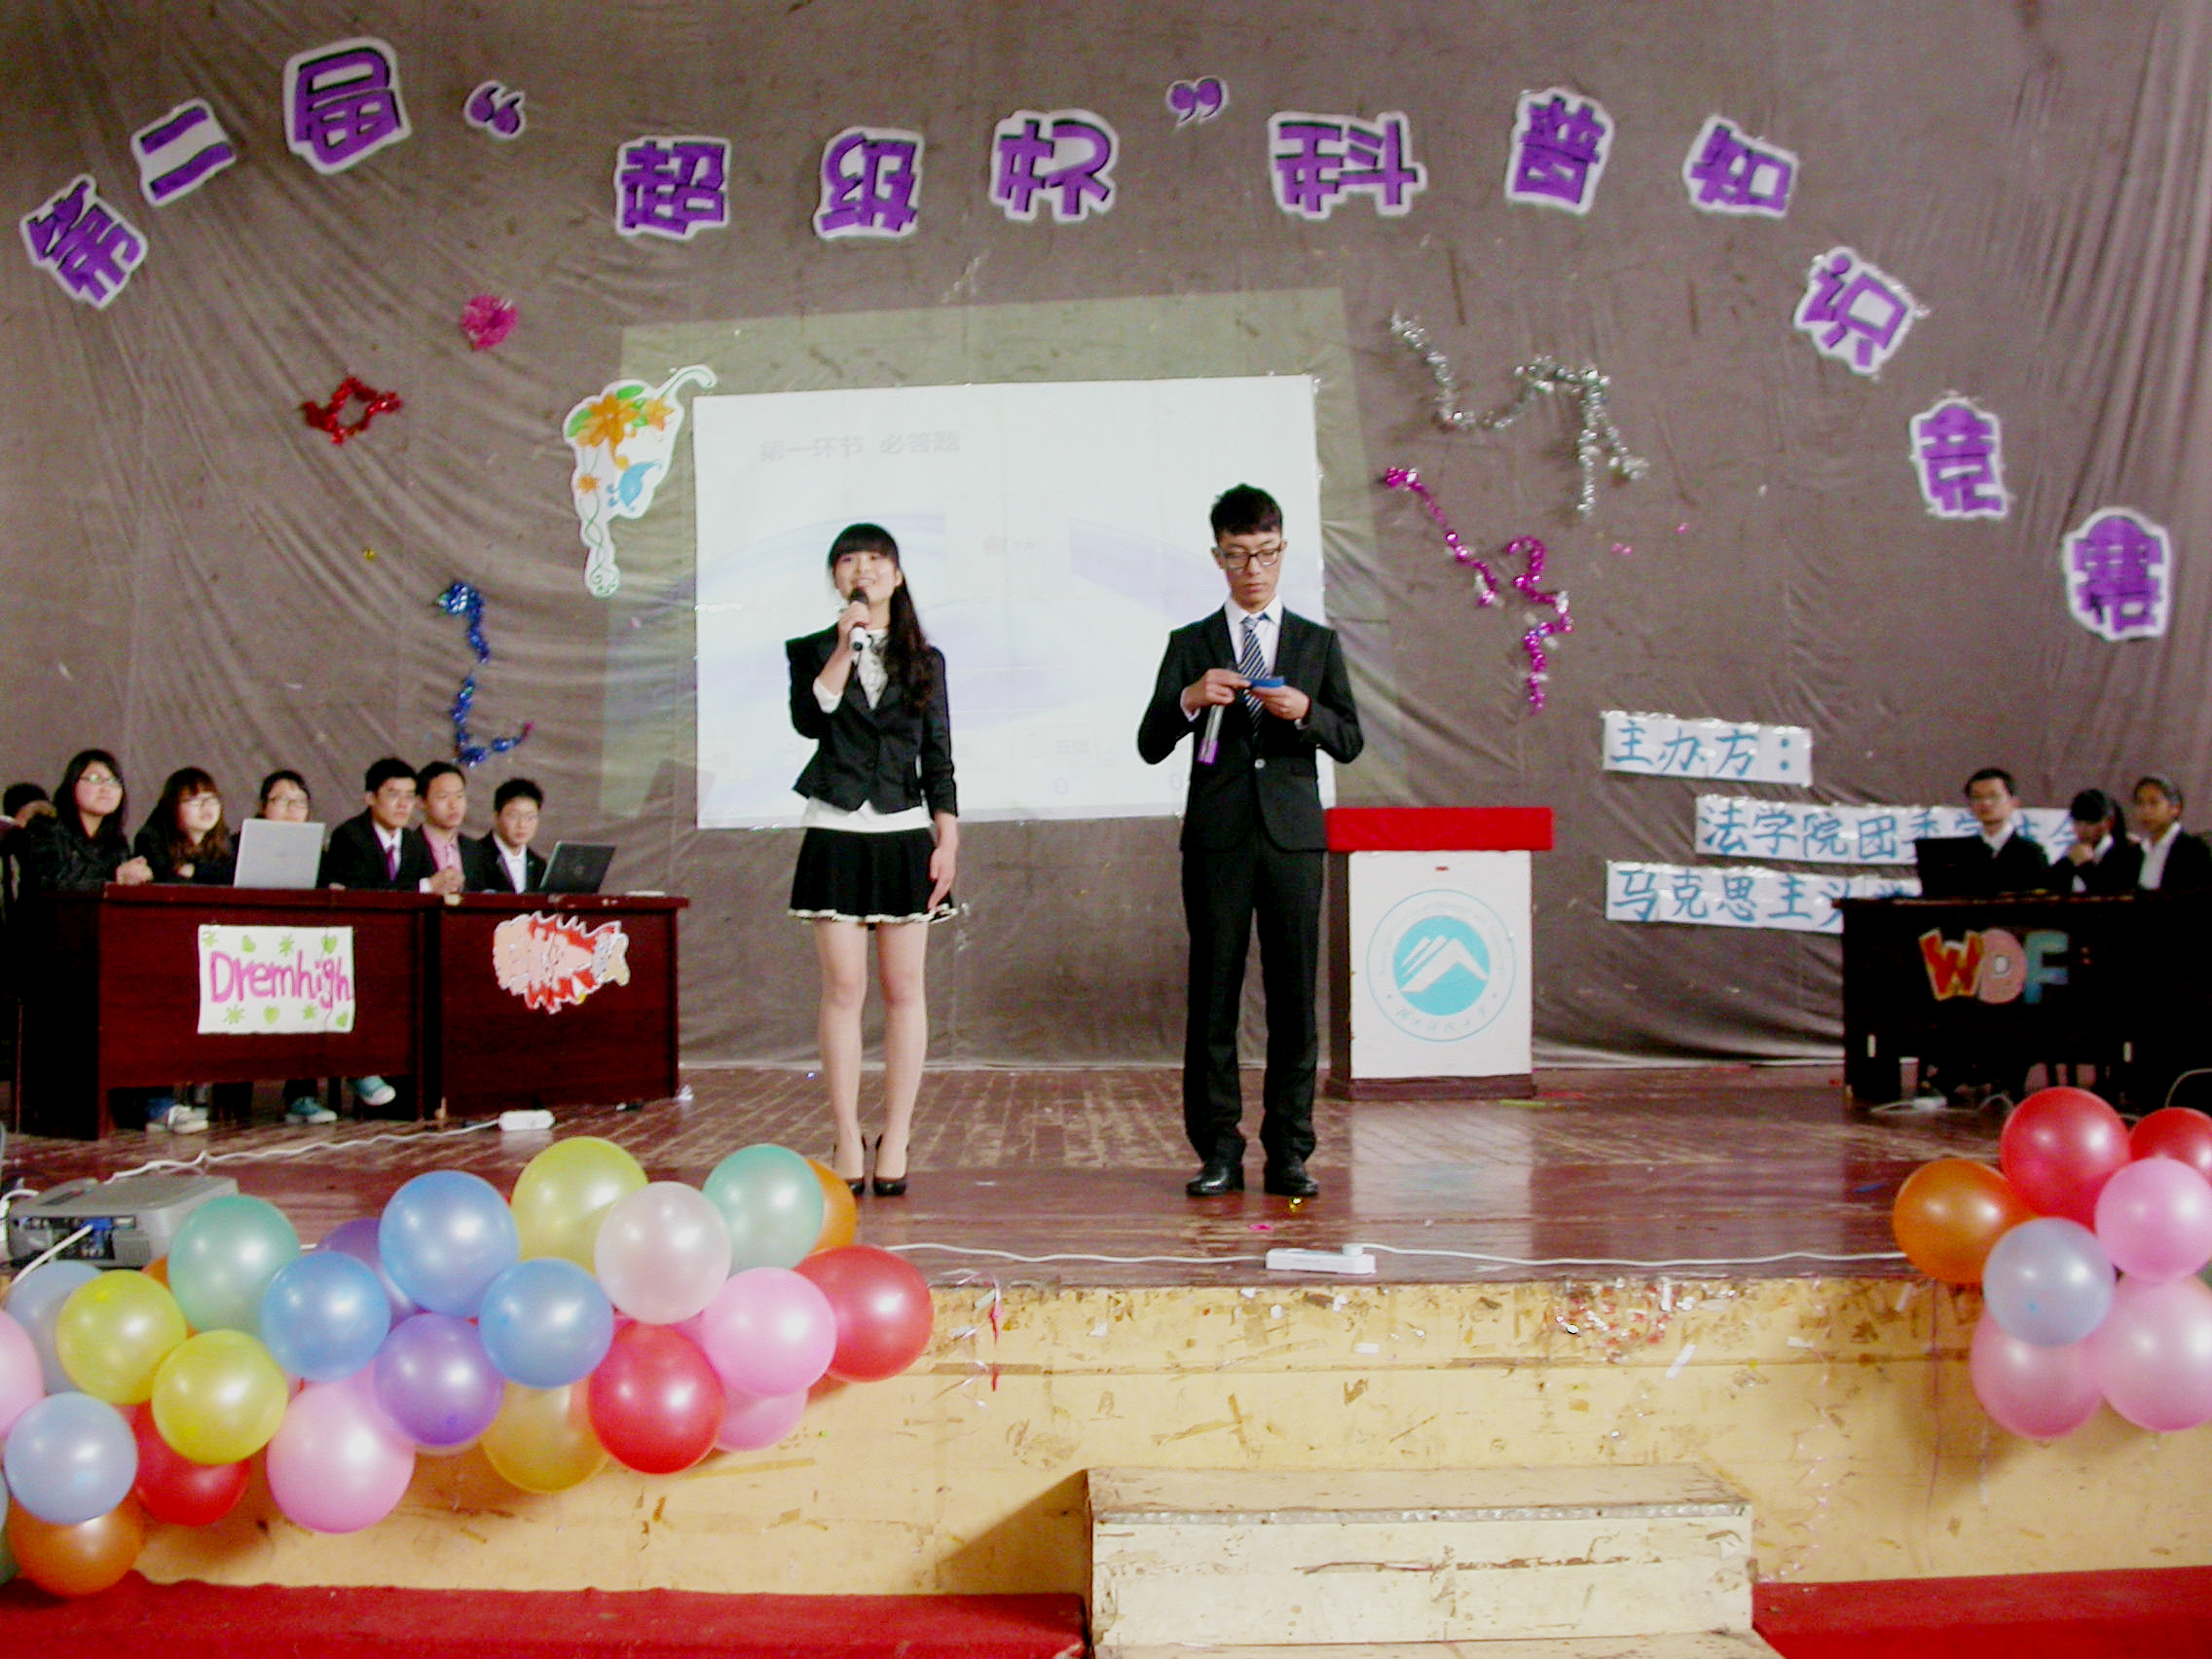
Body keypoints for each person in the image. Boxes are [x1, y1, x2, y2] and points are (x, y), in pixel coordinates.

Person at [1137, 484, 1364, 1199]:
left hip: (1293, 841)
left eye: (1265, 553)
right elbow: (1149, 743)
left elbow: (1350, 740)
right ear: (1218, 557)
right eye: (1237, 555)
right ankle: (1218, 1150)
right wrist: (1187, 699)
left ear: (1283, 550)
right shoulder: (1192, 644)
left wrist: (1307, 712)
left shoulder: (1316, 644)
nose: (1253, 569)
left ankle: (1290, 1150)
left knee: (1295, 997)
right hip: (1219, 840)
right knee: (1214, 994)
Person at [785, 523, 957, 1198]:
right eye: (850, 560)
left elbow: (939, 759)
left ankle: (899, 1136)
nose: (864, 569)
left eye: (877, 559)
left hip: (904, 829)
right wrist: (842, 646)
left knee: (904, 989)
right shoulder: (811, 650)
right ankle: (846, 1134)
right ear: (836, 577)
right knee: (842, 990)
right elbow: (811, 719)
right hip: (834, 828)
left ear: (898, 575)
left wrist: (948, 842)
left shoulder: (926, 660)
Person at [20, 753, 188, 1129]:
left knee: (156, 983)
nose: (105, 788)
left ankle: (151, 1102)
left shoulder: (116, 841)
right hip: (50, 951)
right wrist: (115, 875)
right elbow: (55, 881)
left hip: (102, 948)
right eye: (93, 778)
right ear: (71, 785)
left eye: (113, 781)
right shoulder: (46, 829)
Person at [317, 757, 437, 1112]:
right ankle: (361, 1068)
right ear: (370, 797)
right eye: (393, 794)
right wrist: (425, 885)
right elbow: (360, 892)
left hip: (402, 946)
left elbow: (427, 888)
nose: (403, 804)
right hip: (354, 945)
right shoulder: (349, 835)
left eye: (410, 796)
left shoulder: (415, 843)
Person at [256, 770, 336, 1124]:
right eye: (281, 801)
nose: (290, 809)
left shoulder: (321, 853)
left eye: (298, 802)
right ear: (263, 807)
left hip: (301, 950)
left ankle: (302, 1095)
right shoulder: (237, 844)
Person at [134, 767, 237, 885]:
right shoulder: (150, 839)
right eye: (195, 801)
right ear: (173, 807)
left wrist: (197, 871)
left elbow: (233, 876)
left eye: (211, 799)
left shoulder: (223, 838)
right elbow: (166, 881)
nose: (206, 807)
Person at [1959, 767, 2049, 896]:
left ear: (2014, 802)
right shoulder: (1962, 853)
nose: (1985, 803)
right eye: (1977, 797)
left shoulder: (2031, 853)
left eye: (1994, 796)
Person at [2132, 775, 2212, 893]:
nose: (2146, 810)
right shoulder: (2134, 852)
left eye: (2153, 803)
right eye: (2140, 803)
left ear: (2175, 808)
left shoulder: (2194, 850)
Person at [2054, 789, 2142, 896]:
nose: (2082, 830)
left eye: (2090, 823)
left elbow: (2112, 892)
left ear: (2109, 823)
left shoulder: (2127, 854)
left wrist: (2085, 866)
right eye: (2077, 822)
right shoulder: (2070, 858)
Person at [468, 777, 547, 893]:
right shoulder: (473, 857)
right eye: (514, 816)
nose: (522, 825)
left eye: (530, 817)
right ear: (496, 816)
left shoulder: (540, 866)